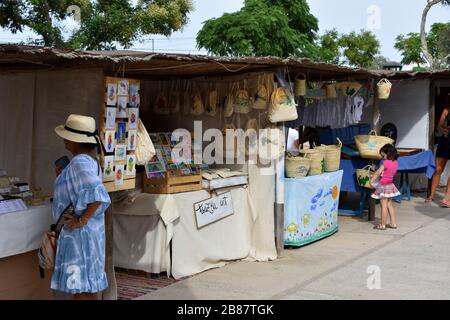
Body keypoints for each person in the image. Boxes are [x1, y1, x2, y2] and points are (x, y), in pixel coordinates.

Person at [52, 114, 111, 300]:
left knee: (84, 287)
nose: (64, 139)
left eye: (67, 135)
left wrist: (81, 219)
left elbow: (98, 194)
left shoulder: (79, 163)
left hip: (81, 234)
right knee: (86, 286)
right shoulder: (89, 160)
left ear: (76, 140)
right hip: (90, 232)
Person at [370, 144, 401, 230]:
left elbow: (377, 173)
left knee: (383, 205)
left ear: (388, 154)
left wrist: (372, 180)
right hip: (390, 185)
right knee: (389, 204)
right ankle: (393, 223)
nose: (382, 157)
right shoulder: (395, 163)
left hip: (383, 186)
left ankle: (382, 224)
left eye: (383, 155)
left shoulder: (385, 163)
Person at [427, 94, 450, 203]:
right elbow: (439, 126)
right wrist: (444, 130)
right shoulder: (447, 110)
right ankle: (431, 195)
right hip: (445, 142)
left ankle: (447, 198)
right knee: (438, 169)